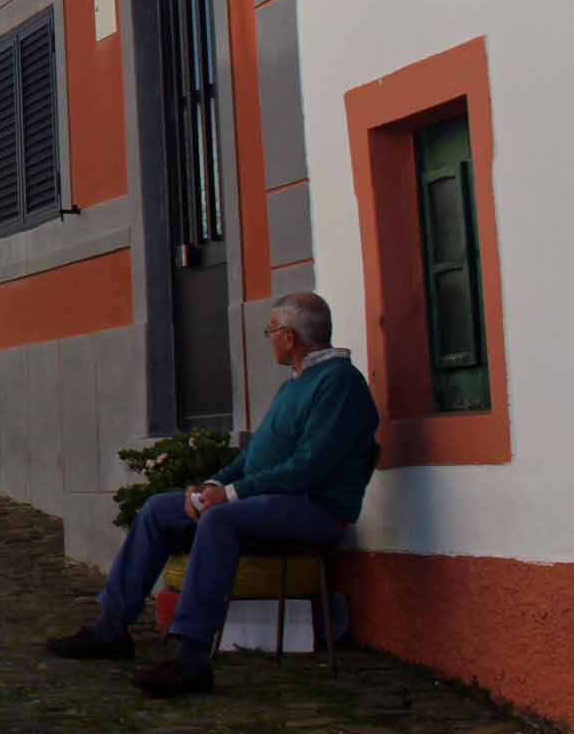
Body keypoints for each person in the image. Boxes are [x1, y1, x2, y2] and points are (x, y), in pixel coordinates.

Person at [46, 291, 379, 697]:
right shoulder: (296, 384)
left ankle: (192, 658)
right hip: (271, 501)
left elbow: (307, 468)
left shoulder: (339, 384)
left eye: (271, 331)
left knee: (221, 518)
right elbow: (254, 457)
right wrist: (214, 484)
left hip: (314, 510)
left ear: (290, 337)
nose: (268, 338)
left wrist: (232, 496)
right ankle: (112, 626)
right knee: (159, 510)